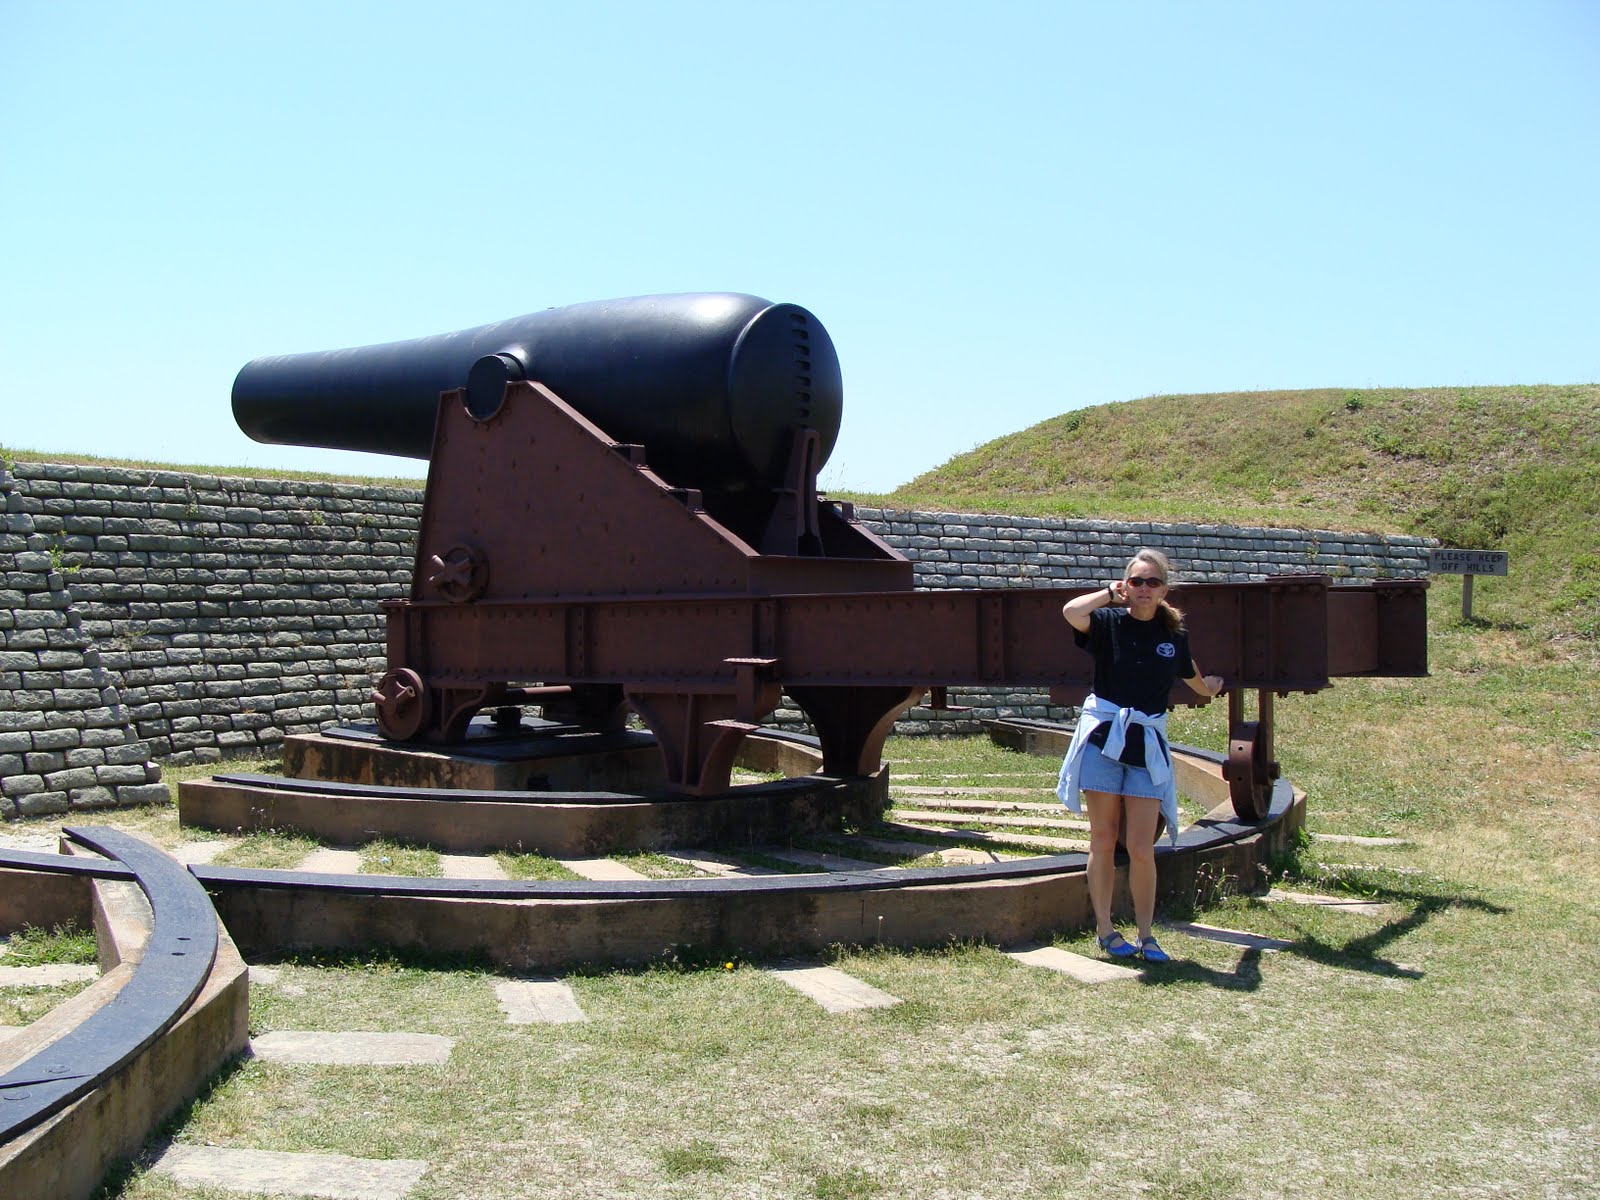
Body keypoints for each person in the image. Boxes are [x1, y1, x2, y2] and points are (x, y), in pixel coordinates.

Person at [1055, 549, 1224, 963]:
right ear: (1125, 586)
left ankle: (1148, 935)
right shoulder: (1108, 622)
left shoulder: (1173, 635)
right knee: (1102, 837)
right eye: (1136, 582)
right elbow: (1071, 611)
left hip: (1145, 746)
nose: (1144, 589)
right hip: (1104, 743)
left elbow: (1191, 675)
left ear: (1164, 589)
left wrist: (1210, 688)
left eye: (1152, 583)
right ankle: (1106, 930)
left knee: (1142, 845)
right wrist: (1107, 595)